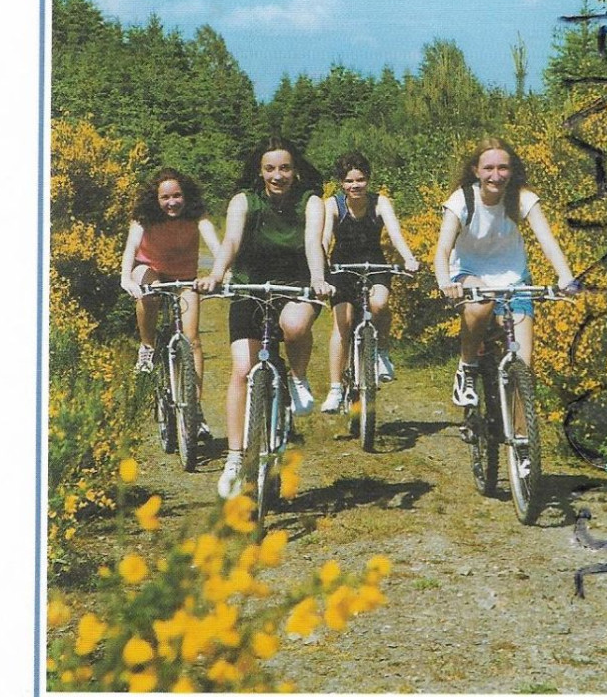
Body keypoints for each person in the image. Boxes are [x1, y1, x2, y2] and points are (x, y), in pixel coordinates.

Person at [200, 137, 333, 498]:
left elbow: (312, 242)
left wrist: (319, 280)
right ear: (259, 171)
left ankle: (298, 377)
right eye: (270, 168)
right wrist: (216, 274)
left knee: (294, 326)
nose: (278, 176)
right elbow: (230, 241)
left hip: (298, 282)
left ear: (296, 170)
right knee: (243, 368)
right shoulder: (244, 201)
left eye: (285, 168)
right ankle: (235, 455)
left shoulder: (312, 202)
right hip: (250, 284)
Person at [434, 137, 576, 406]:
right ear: (476, 170)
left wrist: (565, 275)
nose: (496, 176)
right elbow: (442, 250)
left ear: (512, 170)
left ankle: (522, 443)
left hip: (514, 279)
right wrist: (444, 282)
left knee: (523, 365)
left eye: (503, 168)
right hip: (469, 271)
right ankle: (466, 367)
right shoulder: (462, 199)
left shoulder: (522, 197)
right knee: (481, 304)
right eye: (488, 168)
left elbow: (548, 240)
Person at [120, 167, 223, 437]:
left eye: (177, 195)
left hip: (184, 278)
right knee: (149, 292)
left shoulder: (197, 217)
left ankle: (193, 410)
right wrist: (125, 279)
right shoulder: (143, 218)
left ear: (186, 196)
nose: (172, 202)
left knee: (192, 339)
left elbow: (216, 247)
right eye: (165, 197)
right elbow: (131, 250)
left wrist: (221, 272)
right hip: (150, 270)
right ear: (155, 199)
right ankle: (147, 347)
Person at [320, 151, 419, 412]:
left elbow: (395, 234)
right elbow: (324, 238)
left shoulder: (380, 203)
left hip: (374, 262)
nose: (355, 186)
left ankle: (383, 353)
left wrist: (408, 258)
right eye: (349, 181)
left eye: (360, 180)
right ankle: (335, 388)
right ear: (341, 183)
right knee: (343, 321)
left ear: (368, 179)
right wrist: (319, 268)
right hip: (341, 265)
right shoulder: (333, 205)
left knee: (379, 305)